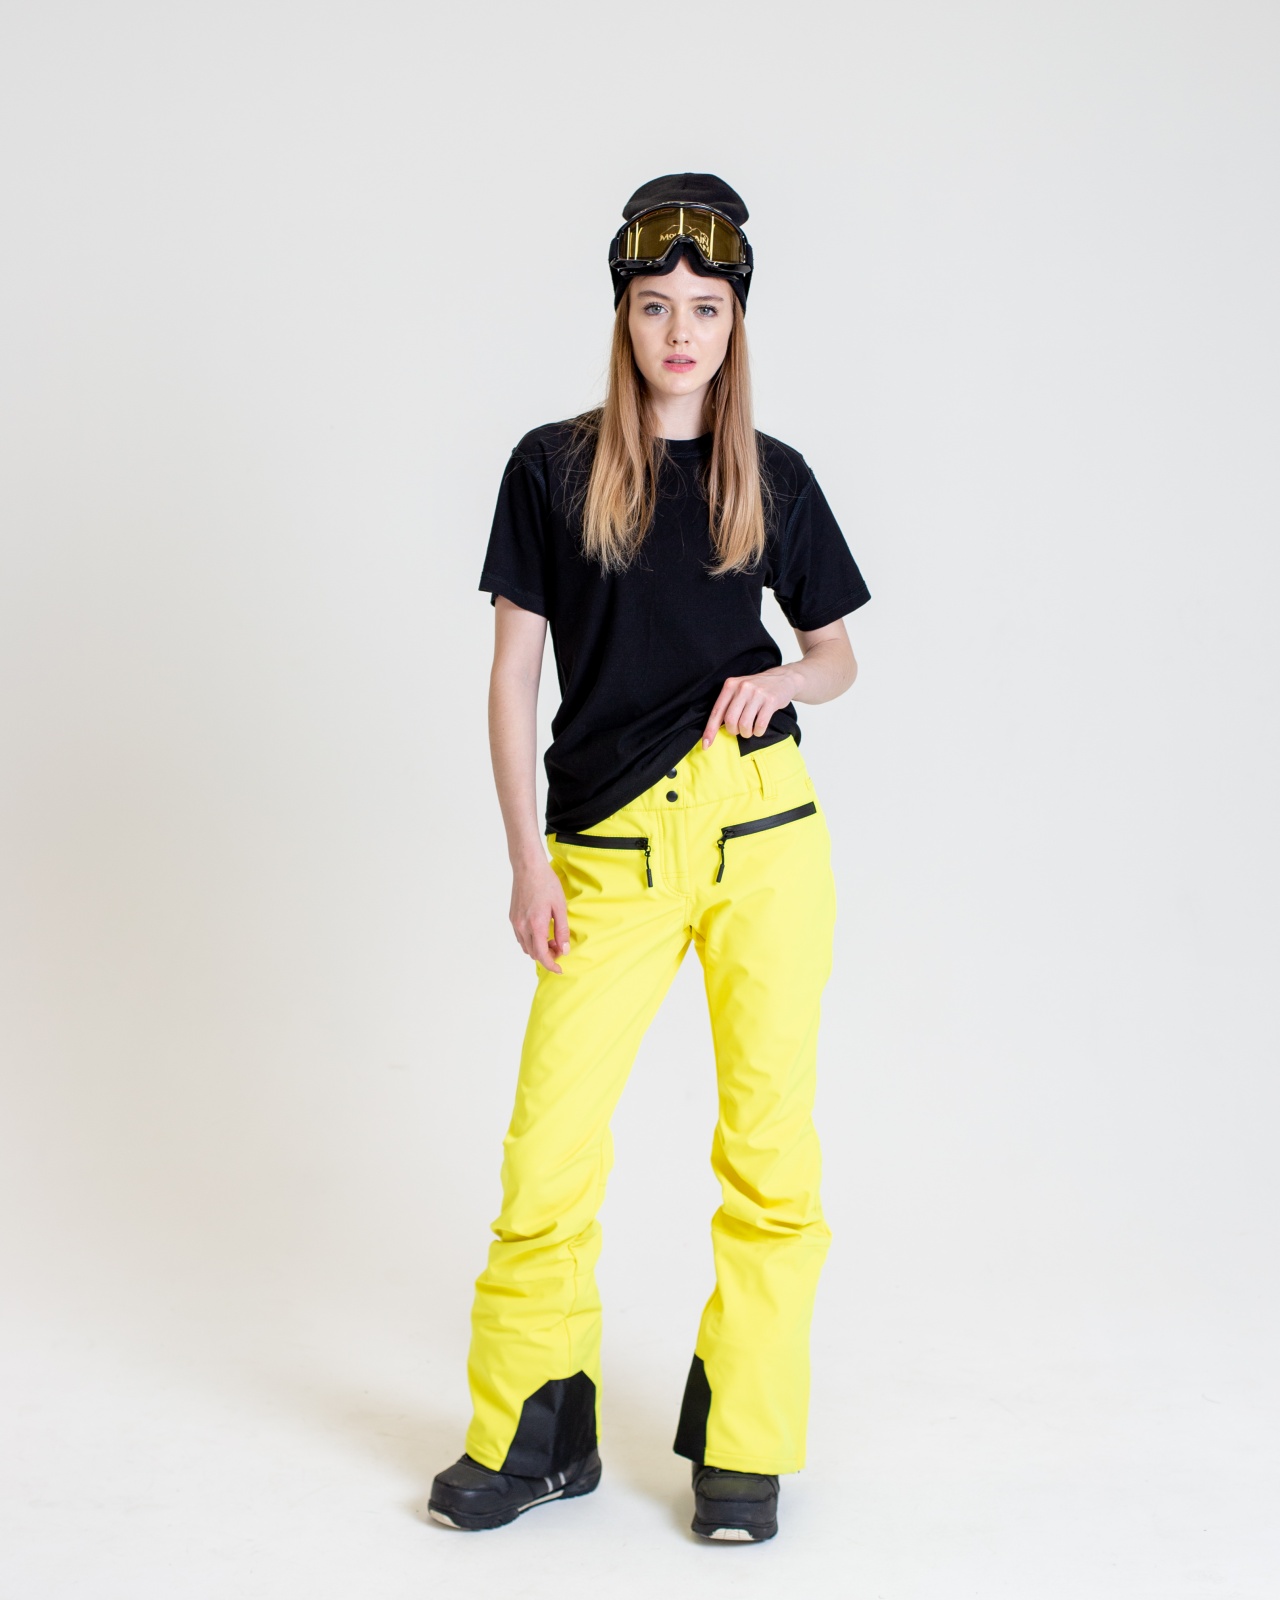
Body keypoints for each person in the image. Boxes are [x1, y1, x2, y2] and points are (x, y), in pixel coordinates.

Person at [428, 172, 871, 1544]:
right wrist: (527, 862)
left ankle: (745, 1444)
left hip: (762, 833)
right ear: (622, 316)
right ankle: (535, 1430)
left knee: (771, 1155)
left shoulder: (770, 476)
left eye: (707, 308)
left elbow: (838, 656)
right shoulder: (553, 469)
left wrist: (783, 681)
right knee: (547, 1153)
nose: (681, 332)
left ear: (737, 324)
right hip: (606, 848)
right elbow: (512, 679)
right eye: (656, 305)